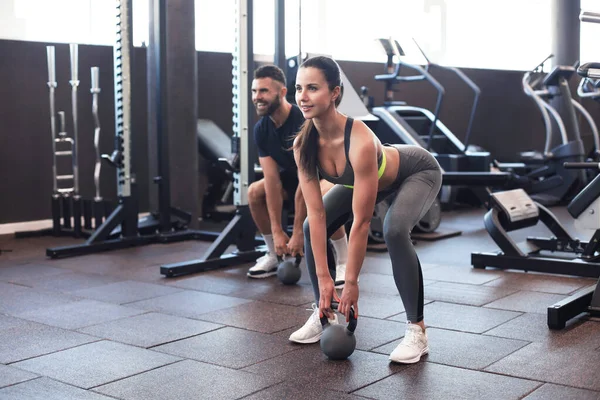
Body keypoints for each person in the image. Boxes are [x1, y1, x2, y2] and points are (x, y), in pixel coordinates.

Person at [287, 56, 442, 364]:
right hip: (363, 183)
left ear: (334, 92)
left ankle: (417, 330)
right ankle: (323, 312)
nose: (303, 97)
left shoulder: (358, 140)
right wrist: (325, 283)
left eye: (313, 88)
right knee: (309, 227)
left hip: (416, 171)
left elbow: (360, 223)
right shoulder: (303, 146)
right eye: (299, 88)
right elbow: (316, 215)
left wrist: (353, 282)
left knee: (394, 230)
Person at [247, 64, 349, 287]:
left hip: (325, 176)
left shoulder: (303, 120)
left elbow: (308, 179)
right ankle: (273, 254)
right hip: (291, 180)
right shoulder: (261, 129)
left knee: (322, 197)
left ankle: (344, 261)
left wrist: (296, 235)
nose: (257, 97)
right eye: (254, 91)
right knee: (255, 191)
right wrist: (278, 231)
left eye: (263, 91)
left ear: (282, 93)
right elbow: (272, 180)